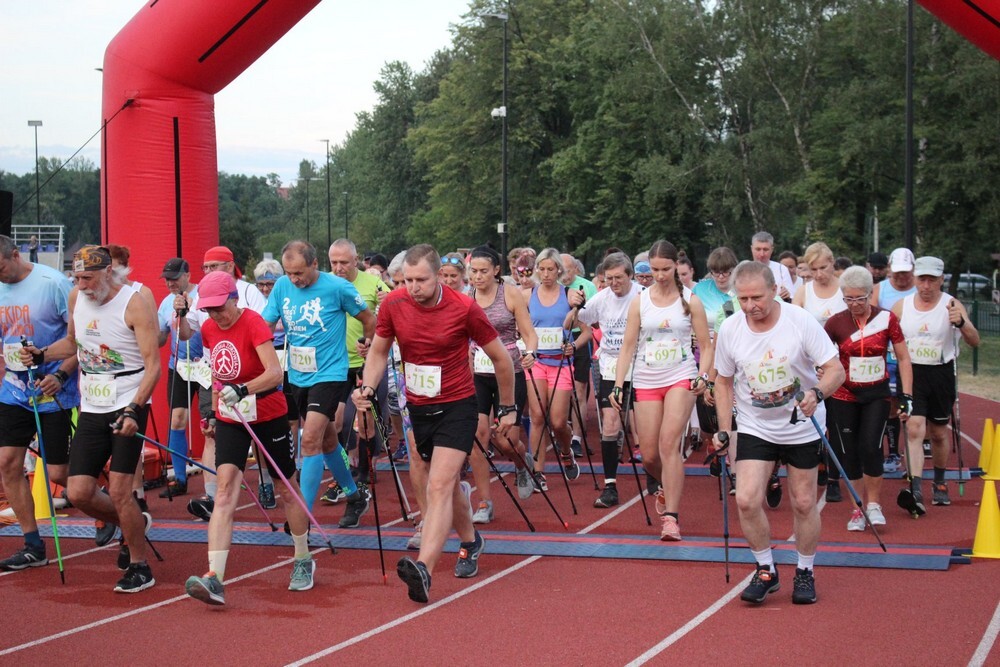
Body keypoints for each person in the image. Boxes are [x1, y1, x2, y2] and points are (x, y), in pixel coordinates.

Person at [353, 244, 518, 604]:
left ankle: (424, 569)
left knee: (439, 484)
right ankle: (471, 541)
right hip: (419, 406)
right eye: (408, 280)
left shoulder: (463, 307)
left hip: (458, 405)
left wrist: (507, 408)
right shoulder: (394, 304)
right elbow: (379, 351)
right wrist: (367, 386)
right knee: (447, 484)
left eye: (421, 280)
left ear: (439, 275)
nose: (413, 287)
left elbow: (502, 359)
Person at [22, 245, 162, 592]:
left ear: (108, 272)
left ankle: (139, 565)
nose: (81, 285)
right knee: (79, 491)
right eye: (77, 278)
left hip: (128, 401)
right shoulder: (76, 298)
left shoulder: (134, 303)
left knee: (120, 490)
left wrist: (135, 408)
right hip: (93, 405)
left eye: (87, 278)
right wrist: (41, 354)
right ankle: (134, 522)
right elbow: (73, 343)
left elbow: (153, 366)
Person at [712, 260, 844, 606]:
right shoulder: (731, 329)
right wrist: (725, 429)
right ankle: (766, 569)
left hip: (801, 425)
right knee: (745, 499)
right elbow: (723, 381)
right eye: (743, 299)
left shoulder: (800, 321)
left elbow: (835, 370)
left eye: (757, 297)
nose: (750, 306)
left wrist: (817, 394)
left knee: (803, 502)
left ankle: (805, 570)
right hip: (755, 425)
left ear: (774, 290)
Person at [184, 272, 313, 605]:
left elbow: (274, 373)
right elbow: (217, 373)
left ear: (234, 299)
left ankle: (302, 557)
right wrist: (214, 412)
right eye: (208, 309)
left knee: (286, 486)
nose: (215, 314)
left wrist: (243, 389)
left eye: (219, 307)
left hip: (268, 414)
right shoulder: (209, 329)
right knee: (225, 489)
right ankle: (214, 577)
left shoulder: (254, 323)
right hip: (232, 418)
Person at [261, 241, 375, 529]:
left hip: (330, 373)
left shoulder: (337, 287)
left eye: (299, 273)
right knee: (327, 441)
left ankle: (302, 519)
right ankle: (354, 495)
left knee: (310, 440)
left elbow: (368, 318)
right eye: (289, 273)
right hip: (297, 374)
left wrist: (367, 342)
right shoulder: (282, 287)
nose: (294, 279)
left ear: (314, 264)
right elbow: (265, 326)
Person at [612, 241, 712, 540]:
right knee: (650, 455)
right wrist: (618, 384)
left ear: (676, 266)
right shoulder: (640, 301)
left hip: (681, 375)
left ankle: (671, 519)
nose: (659, 275)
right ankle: (667, 485)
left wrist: (704, 375)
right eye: (654, 269)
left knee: (669, 444)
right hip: (646, 378)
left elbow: (706, 346)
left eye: (665, 269)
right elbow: (628, 346)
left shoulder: (691, 301)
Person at [0, 235, 79, 571]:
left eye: (1, 267)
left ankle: (107, 503)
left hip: (54, 389)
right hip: (15, 390)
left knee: (58, 471)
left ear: (15, 255)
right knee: (7, 463)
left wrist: (60, 375)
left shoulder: (54, 283)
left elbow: (81, 340)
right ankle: (32, 544)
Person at [179, 245, 274, 509]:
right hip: (217, 374)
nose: (208, 271)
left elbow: (263, 326)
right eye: (205, 267)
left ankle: (266, 481)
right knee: (211, 431)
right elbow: (187, 334)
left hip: (251, 375)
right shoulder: (200, 294)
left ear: (230, 266)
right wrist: (182, 314)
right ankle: (212, 496)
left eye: (214, 266)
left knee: (256, 434)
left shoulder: (248, 291)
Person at [825, 267, 912, 531]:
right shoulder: (835, 323)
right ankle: (857, 508)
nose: (854, 305)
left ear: (869, 294)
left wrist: (907, 395)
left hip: (876, 394)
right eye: (848, 299)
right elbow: (821, 356)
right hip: (844, 394)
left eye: (860, 299)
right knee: (849, 451)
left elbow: (904, 358)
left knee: (871, 446)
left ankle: (874, 504)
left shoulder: (886, 319)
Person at [894, 256, 979, 511]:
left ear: (941, 280)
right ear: (915, 279)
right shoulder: (901, 307)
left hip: (941, 373)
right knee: (914, 429)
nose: (926, 286)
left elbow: (974, 340)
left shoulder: (951, 304)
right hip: (912, 373)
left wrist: (961, 323)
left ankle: (940, 481)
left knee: (940, 433)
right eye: (922, 279)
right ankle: (916, 487)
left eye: (932, 280)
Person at [566, 251, 641, 508]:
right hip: (610, 365)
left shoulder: (642, 296)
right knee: (610, 423)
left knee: (644, 428)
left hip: (640, 365)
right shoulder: (601, 298)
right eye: (609, 278)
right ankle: (610, 486)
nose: (614, 283)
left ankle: (655, 475)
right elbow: (572, 323)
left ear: (630, 275)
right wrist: (575, 306)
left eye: (619, 277)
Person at [467, 245, 538, 521]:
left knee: (506, 440)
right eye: (473, 271)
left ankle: (521, 463)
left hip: (509, 372)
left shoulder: (510, 294)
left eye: (483, 271)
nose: (477, 276)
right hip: (478, 373)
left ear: (496, 270)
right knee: (477, 436)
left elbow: (529, 333)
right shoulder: (467, 297)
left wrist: (531, 352)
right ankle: (484, 502)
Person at [327, 239, 390, 504]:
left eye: (344, 262)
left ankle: (363, 474)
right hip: (335, 364)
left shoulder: (374, 284)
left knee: (365, 423)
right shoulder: (324, 284)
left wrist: (373, 342)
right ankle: (345, 475)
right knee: (336, 423)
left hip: (366, 363)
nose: (338, 268)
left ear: (356, 261)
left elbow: (390, 317)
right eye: (334, 262)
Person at [524, 248, 590, 490]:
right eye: (541, 269)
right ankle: (538, 472)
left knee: (558, 421)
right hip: (537, 362)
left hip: (560, 364)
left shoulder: (569, 296)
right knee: (537, 416)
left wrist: (572, 346)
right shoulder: (527, 295)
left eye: (550, 269)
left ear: (558, 271)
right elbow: (519, 326)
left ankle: (565, 452)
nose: (545, 274)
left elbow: (587, 332)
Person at [156, 258, 218, 515]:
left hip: (204, 365)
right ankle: (179, 478)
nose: (170, 283)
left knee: (209, 425)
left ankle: (216, 483)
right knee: (177, 419)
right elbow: (161, 336)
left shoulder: (203, 295)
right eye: (167, 279)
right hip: (179, 366)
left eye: (174, 278)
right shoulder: (165, 303)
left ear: (188, 276)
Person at [871, 248, 917, 473]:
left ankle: (917, 445)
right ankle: (893, 453)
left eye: (905, 272)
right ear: (890, 269)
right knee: (890, 403)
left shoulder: (920, 289)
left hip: (915, 354)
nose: (901, 277)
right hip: (887, 353)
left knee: (910, 401)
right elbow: (871, 317)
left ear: (913, 270)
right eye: (897, 272)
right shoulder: (880, 289)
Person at [253, 258, 300, 475]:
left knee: (291, 416)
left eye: (269, 284)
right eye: (261, 284)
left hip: (288, 354)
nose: (265, 289)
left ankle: (292, 465)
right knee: (260, 416)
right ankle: (264, 474)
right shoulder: (254, 301)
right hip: (264, 357)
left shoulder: (287, 295)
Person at [560, 253, 598, 458]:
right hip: (557, 339)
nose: (563, 275)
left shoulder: (588, 286)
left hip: (581, 338)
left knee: (579, 390)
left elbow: (593, 318)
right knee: (560, 390)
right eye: (560, 270)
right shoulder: (553, 286)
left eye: (567, 270)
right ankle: (561, 432)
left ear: (576, 269)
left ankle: (576, 438)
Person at [793, 242, 847, 326]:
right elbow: (795, 323)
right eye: (814, 269)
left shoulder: (847, 287)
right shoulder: (802, 292)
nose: (819, 274)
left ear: (832, 262)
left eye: (823, 268)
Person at [750, 231, 795, 301]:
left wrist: (788, 295)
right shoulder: (744, 271)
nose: (762, 254)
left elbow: (792, 296)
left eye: (765, 250)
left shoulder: (781, 270)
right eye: (758, 249)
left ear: (772, 250)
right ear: (752, 249)